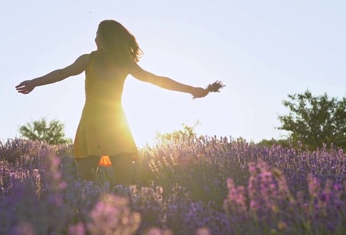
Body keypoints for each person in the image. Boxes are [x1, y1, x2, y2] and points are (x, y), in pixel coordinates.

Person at [16, 20, 210, 185]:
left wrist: (35, 82)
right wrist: (191, 89)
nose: (95, 39)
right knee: (123, 183)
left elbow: (62, 73)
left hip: (93, 121)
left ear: (104, 39)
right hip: (116, 122)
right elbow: (157, 80)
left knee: (87, 182)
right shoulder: (120, 63)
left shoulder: (90, 60)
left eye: (97, 35)